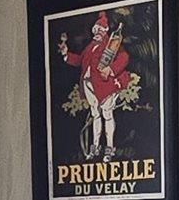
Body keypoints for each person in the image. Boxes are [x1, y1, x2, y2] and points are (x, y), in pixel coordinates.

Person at [58, 13, 139, 160]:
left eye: (100, 30)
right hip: (89, 85)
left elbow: (124, 57)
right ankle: (95, 147)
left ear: (105, 30)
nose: (97, 32)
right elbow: (79, 60)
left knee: (107, 115)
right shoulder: (90, 47)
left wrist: (111, 69)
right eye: (95, 30)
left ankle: (109, 148)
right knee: (95, 114)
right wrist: (66, 54)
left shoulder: (112, 43)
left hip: (105, 85)